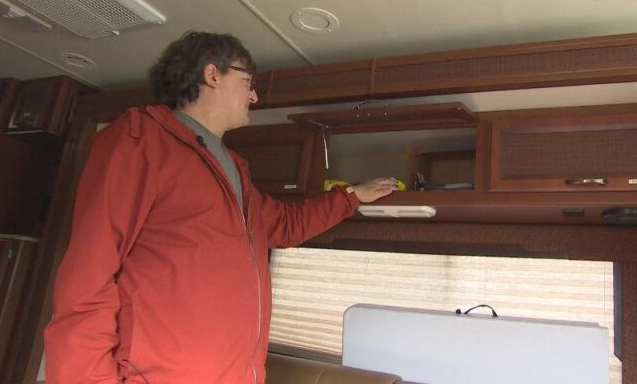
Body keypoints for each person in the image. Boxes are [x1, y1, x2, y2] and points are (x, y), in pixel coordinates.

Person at [44, 31, 396, 383]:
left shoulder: (235, 171)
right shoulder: (139, 140)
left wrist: (351, 197)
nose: (254, 95)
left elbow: (285, 225)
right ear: (212, 75)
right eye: (247, 82)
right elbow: (87, 278)